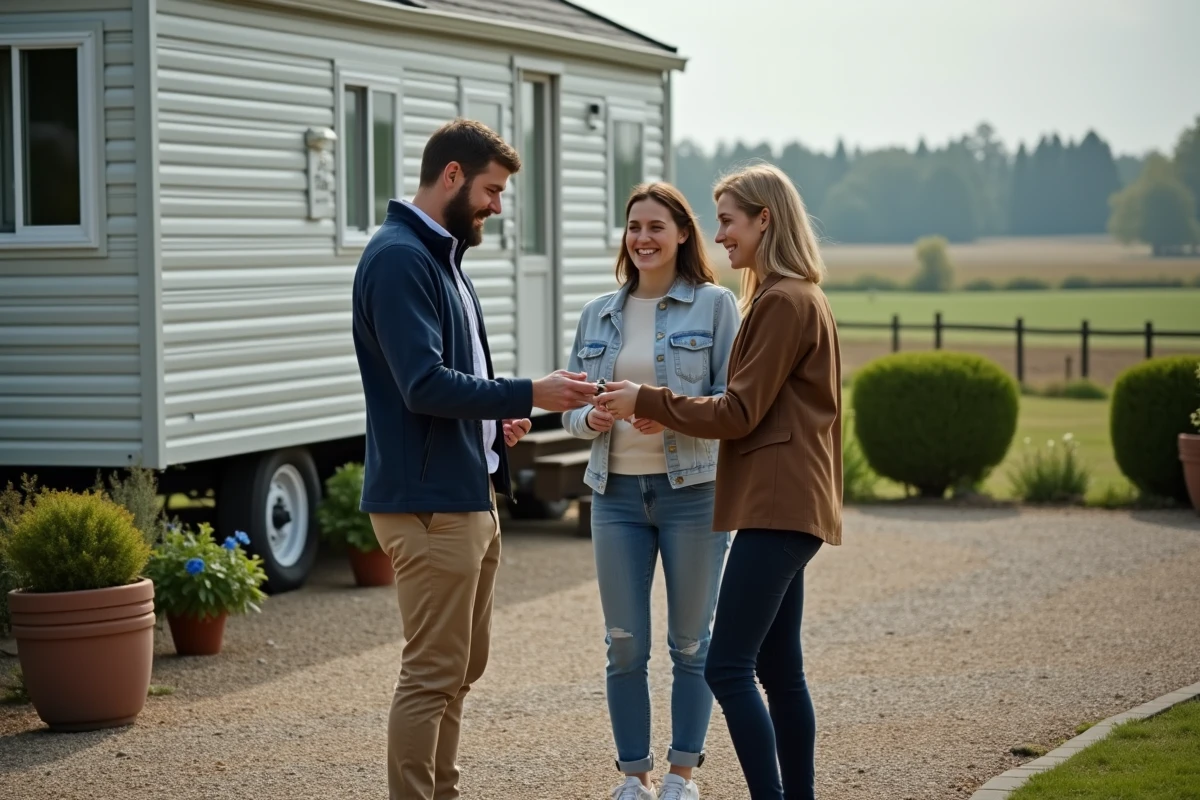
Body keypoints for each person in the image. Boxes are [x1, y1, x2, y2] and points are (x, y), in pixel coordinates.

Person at [351, 118, 597, 800]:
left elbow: (443, 385)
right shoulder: (401, 258)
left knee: (460, 669)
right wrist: (531, 391)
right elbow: (422, 385)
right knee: (431, 674)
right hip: (429, 506)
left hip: (465, 495)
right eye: (491, 190)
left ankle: (445, 792)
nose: (497, 205)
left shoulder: (440, 259)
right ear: (451, 176)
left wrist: (498, 421)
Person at [598, 162, 843, 800]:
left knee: (729, 666)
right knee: (778, 670)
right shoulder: (792, 296)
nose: (722, 235)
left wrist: (647, 401)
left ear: (766, 219)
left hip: (776, 506)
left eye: (730, 221)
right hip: (788, 505)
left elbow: (737, 411)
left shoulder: (783, 302)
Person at [564, 183, 739, 800]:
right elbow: (571, 412)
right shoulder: (597, 314)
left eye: (656, 227)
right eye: (634, 226)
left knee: (692, 642)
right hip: (613, 495)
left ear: (683, 234)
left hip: (694, 493)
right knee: (623, 643)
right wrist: (593, 420)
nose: (643, 238)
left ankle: (682, 775)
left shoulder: (716, 307)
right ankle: (634, 776)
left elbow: (730, 403)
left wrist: (669, 414)